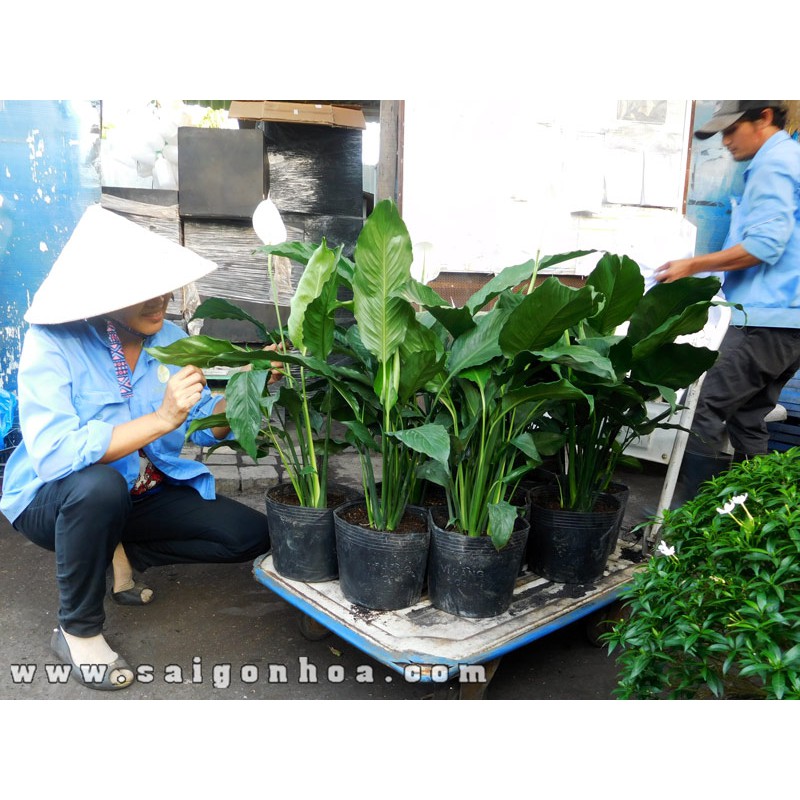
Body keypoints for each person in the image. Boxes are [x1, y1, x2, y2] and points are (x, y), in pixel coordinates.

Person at [0, 205, 271, 691]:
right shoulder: (53, 342)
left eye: (163, 286)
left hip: (139, 492)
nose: (160, 300)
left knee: (250, 535)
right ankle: (78, 630)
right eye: (143, 290)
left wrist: (251, 388)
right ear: (102, 294)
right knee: (98, 487)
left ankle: (119, 549)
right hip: (53, 498)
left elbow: (202, 425)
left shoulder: (170, 338)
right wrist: (160, 418)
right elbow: (55, 454)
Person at [655, 100, 800, 501]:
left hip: (764, 321)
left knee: (705, 410)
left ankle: (691, 520)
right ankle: (755, 515)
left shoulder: (775, 164)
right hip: (787, 323)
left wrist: (692, 264)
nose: (725, 141)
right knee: (748, 417)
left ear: (765, 117)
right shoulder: (790, 158)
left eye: (732, 129)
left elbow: (765, 246)